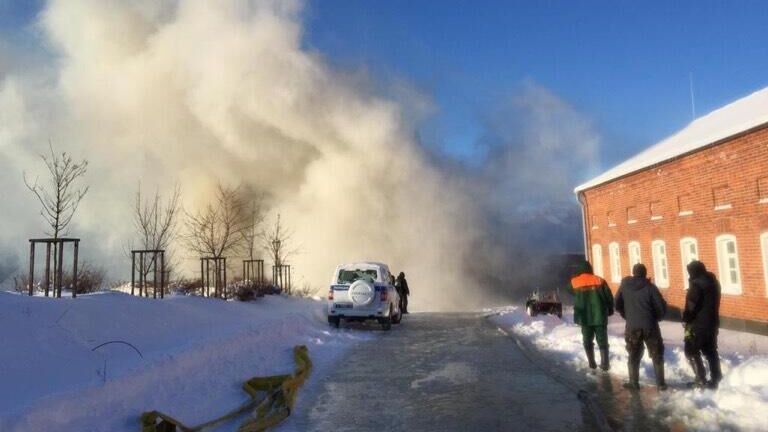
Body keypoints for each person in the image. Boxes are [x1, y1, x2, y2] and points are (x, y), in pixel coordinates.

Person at [615, 263, 668, 390]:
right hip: (650, 326)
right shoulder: (650, 287)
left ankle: (634, 382)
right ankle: (660, 384)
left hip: (632, 326)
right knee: (656, 354)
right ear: (645, 273)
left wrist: (626, 315)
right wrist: (657, 317)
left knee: (633, 353)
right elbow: (660, 306)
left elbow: (616, 303)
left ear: (634, 273)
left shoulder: (624, 286)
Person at [683, 260, 722, 389]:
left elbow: (691, 306)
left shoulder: (697, 285)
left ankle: (700, 379)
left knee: (691, 350)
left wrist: (686, 319)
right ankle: (716, 378)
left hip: (698, 324)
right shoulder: (714, 282)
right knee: (710, 351)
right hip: (713, 322)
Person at [570, 261, 614, 371]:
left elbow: (569, 290)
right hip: (599, 316)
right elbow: (609, 297)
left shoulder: (574, 282)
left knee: (587, 339)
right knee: (602, 339)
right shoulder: (599, 280)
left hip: (584, 317)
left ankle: (591, 363)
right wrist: (610, 308)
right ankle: (605, 364)